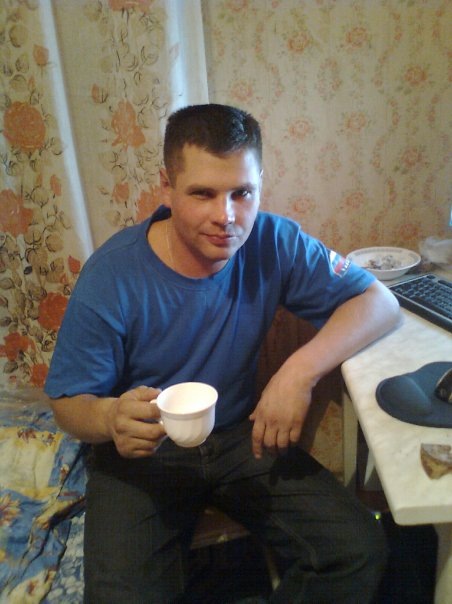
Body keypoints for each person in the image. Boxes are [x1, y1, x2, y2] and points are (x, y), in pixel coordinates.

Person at [45, 103, 400, 603]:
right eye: (203, 194)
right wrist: (109, 417)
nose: (226, 216)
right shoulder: (112, 274)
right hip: (144, 452)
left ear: (260, 184)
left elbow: (379, 302)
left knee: (358, 546)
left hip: (238, 436)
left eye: (242, 193)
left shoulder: (274, 241)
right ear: (166, 187)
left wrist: (297, 372)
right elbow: (66, 403)